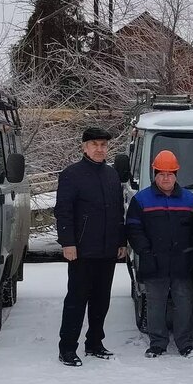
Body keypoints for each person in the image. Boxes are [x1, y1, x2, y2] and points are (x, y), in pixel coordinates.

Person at [54, 127, 127, 366]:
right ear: (84, 147)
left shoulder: (112, 175)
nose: (99, 149)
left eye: (103, 145)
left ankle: (95, 342)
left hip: (107, 250)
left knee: (101, 299)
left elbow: (118, 212)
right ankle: (67, 348)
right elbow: (63, 211)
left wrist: (121, 241)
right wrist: (68, 242)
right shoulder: (71, 174)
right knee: (76, 300)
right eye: (94, 144)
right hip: (82, 250)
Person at [127, 150, 193, 358]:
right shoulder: (141, 200)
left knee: (184, 304)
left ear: (176, 175)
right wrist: (145, 252)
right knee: (155, 305)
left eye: (170, 174)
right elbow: (133, 228)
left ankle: (185, 343)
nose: (166, 178)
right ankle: (157, 343)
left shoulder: (190, 200)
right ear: (154, 174)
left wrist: (192, 255)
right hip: (154, 261)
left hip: (182, 263)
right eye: (161, 174)